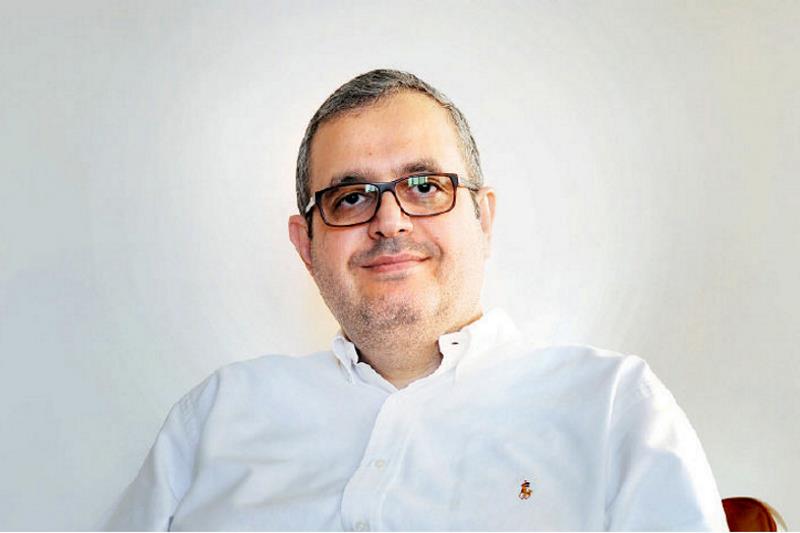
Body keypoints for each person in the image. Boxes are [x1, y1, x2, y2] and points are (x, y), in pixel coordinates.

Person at [104, 69, 728, 531]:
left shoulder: (614, 408)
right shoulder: (216, 417)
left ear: (483, 218)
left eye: (425, 186)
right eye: (350, 197)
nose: (390, 221)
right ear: (306, 245)